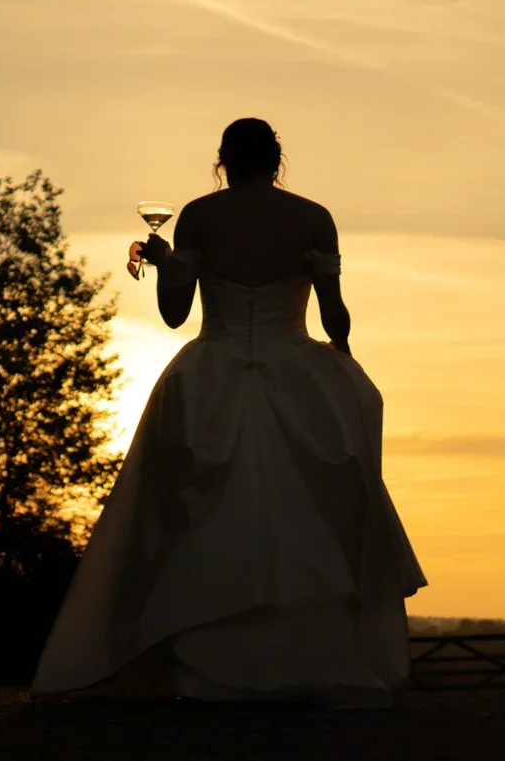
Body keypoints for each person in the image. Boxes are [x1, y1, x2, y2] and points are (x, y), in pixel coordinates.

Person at [33, 118, 425, 705]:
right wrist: (339, 368)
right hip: (296, 369)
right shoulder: (314, 217)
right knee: (308, 510)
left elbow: (173, 315)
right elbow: (335, 318)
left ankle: (201, 665)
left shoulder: (198, 216)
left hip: (210, 373)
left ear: (223, 160)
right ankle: (312, 664)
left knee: (193, 512)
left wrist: (166, 263)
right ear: (277, 159)